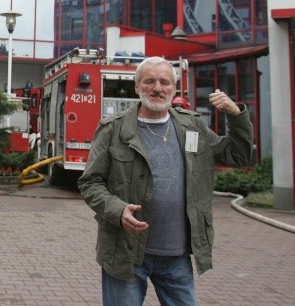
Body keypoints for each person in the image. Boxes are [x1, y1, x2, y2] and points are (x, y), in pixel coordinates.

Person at [78, 56, 253, 306]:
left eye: (164, 82)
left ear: (173, 88)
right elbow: (90, 182)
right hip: (126, 252)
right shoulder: (113, 129)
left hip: (177, 256)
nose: (157, 88)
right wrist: (117, 211)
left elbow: (238, 155)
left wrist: (235, 115)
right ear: (137, 87)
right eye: (149, 81)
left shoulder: (191, 126)